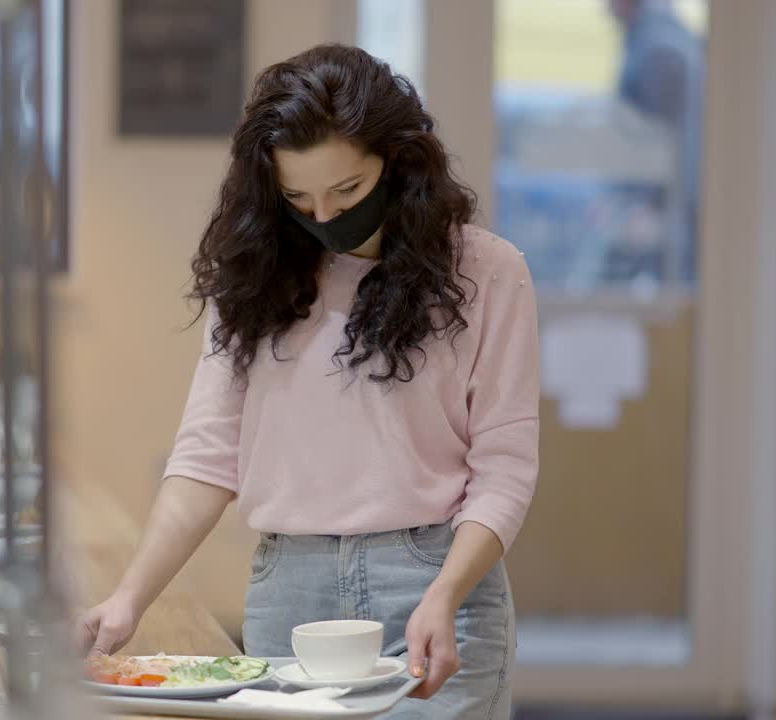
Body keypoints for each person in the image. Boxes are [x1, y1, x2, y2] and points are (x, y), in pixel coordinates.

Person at [78, 44, 539, 720]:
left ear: (399, 163)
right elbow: (207, 459)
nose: (324, 218)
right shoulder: (256, 275)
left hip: (436, 586)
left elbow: (504, 469)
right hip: (289, 595)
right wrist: (129, 599)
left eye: (347, 192)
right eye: (299, 198)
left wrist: (444, 593)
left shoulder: (489, 274)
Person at [608, 0, 704, 284]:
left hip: (672, 201)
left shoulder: (658, 49)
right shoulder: (657, 37)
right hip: (672, 199)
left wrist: (642, 202)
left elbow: (658, 140)